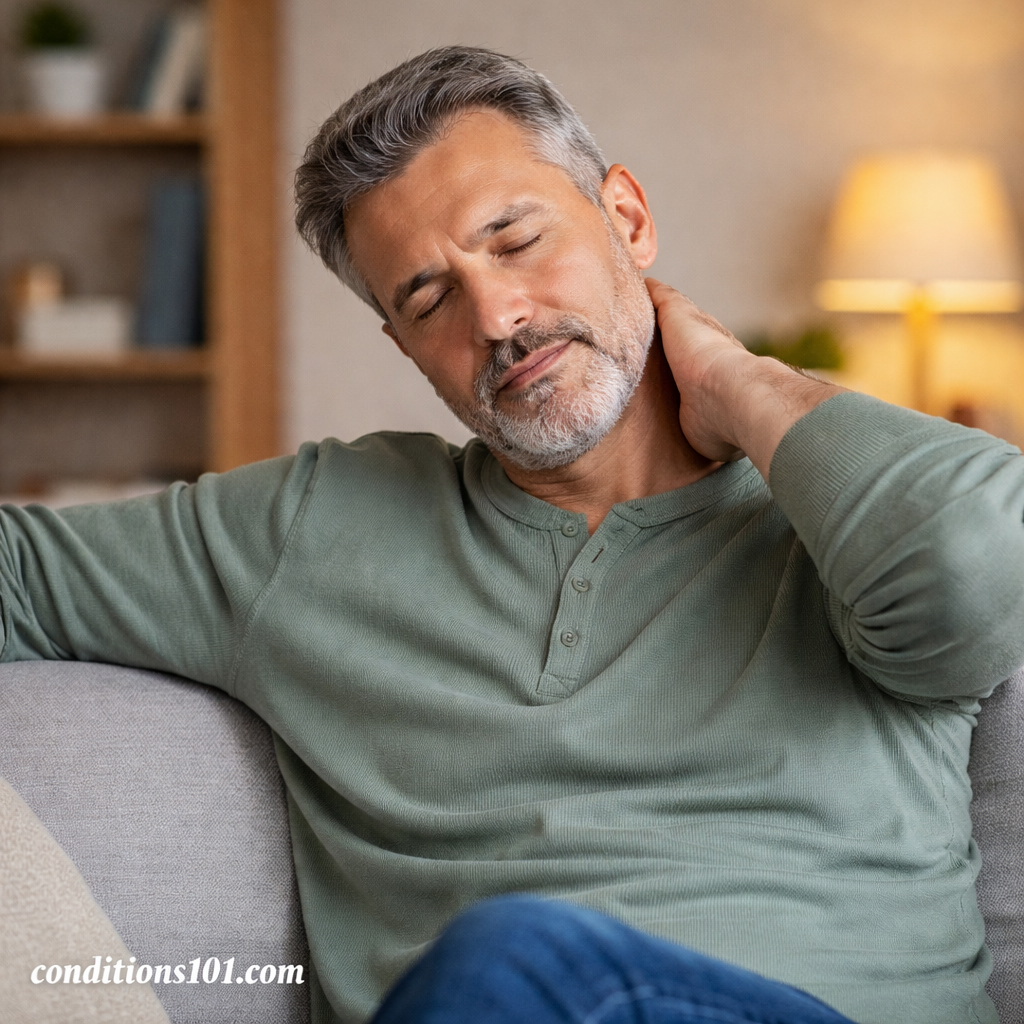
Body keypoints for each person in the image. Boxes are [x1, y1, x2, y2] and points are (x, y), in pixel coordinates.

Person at [3, 45, 1023, 1024]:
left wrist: (745, 383)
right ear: (404, 346)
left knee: (516, 958)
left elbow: (983, 572)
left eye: (515, 239)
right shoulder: (309, 527)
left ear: (625, 216)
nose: (495, 315)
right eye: (427, 296)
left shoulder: (851, 527)